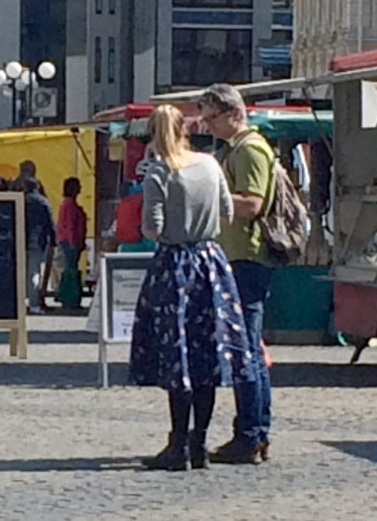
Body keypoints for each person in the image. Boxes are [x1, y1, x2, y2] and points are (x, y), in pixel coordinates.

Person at [129, 104, 254, 471]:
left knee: (177, 356)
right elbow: (227, 211)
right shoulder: (211, 164)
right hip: (211, 264)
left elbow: (151, 228)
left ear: (153, 133)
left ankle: (177, 444)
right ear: (186, 129)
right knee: (207, 356)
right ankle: (199, 444)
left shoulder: (159, 172)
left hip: (174, 266)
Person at [198, 83, 276, 465]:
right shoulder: (234, 149)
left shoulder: (250, 149)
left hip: (248, 258)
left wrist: (211, 196)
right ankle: (252, 432)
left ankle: (251, 434)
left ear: (234, 113)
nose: (208, 125)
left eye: (213, 117)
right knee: (247, 350)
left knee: (247, 352)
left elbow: (252, 204)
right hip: (237, 257)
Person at [21, 177, 56, 315]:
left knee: (20, 274)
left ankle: (19, 304)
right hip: (38, 241)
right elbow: (49, 222)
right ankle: (34, 304)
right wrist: (53, 240)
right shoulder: (43, 202)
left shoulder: (21, 200)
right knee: (34, 273)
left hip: (20, 240)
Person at [56, 177, 87, 309]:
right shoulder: (69, 205)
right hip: (71, 242)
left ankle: (67, 296)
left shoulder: (68, 204)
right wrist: (73, 241)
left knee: (70, 269)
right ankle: (70, 297)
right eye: (78, 186)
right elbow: (70, 225)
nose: (80, 188)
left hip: (71, 241)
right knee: (71, 270)